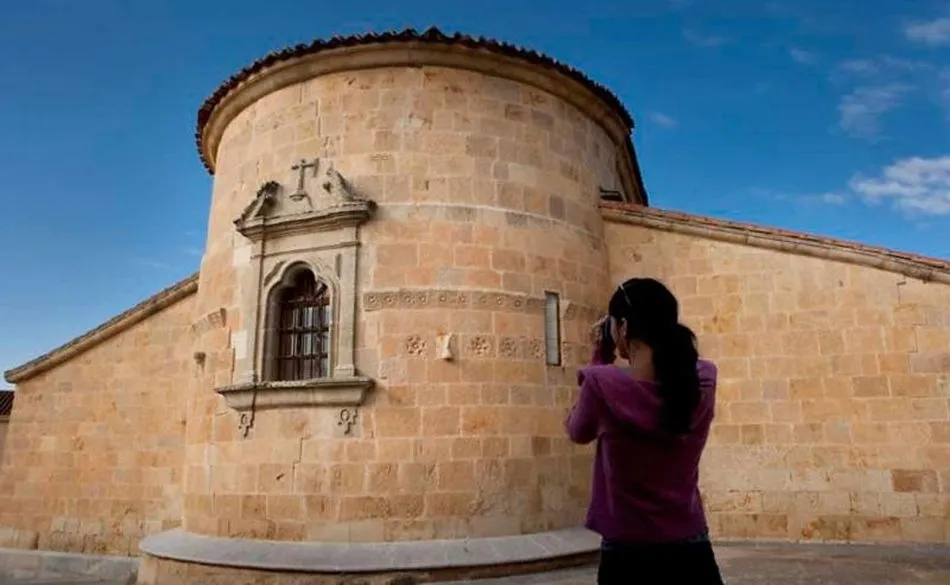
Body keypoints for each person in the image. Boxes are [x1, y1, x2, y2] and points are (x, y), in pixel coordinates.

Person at [566, 277, 724, 584]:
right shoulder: (703, 380)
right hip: (691, 549)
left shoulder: (601, 386)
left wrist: (600, 354)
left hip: (627, 555)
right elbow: (686, 369)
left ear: (623, 328)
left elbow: (577, 430)